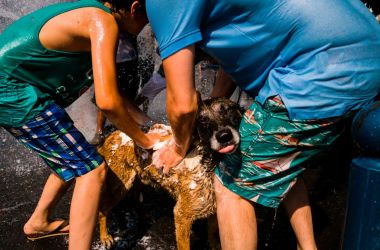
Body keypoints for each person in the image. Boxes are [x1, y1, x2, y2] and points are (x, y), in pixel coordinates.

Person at [147, 1, 380, 249]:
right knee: (281, 161)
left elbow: (182, 106)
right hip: (368, 52)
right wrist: (217, 102)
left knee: (230, 183)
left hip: (322, 72)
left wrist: (179, 147)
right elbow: (236, 52)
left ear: (133, 7)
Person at [0, 0, 161, 249]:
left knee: (73, 154)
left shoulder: (95, 14)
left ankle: (39, 222)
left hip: (18, 89)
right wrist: (147, 141)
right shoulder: (103, 22)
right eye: (149, 17)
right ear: (134, 7)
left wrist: (149, 124)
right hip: (13, 92)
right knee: (91, 169)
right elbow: (107, 103)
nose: (150, 24)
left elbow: (108, 94)